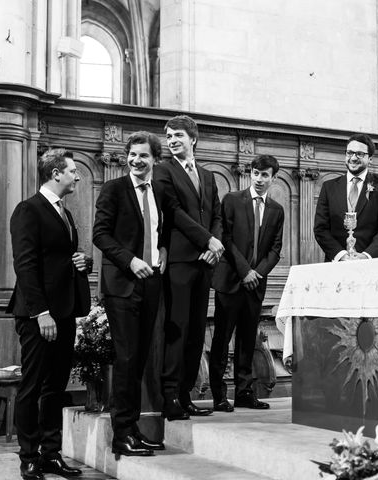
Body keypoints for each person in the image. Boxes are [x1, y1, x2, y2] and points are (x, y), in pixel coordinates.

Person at [7, 149, 91, 480]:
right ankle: (28, 456)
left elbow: (65, 259)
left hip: (65, 312)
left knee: (55, 387)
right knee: (32, 386)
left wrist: (85, 262)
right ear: (56, 173)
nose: (78, 176)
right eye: (73, 171)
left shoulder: (64, 214)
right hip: (38, 315)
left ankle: (50, 453)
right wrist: (41, 312)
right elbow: (25, 265)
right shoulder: (28, 210)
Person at [92, 132, 167, 458]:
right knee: (126, 359)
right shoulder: (114, 189)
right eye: (133, 155)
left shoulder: (158, 192)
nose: (137, 161)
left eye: (144, 156)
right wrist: (130, 260)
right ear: (126, 157)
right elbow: (100, 234)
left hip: (151, 282)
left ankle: (132, 428)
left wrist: (161, 249)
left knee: (138, 360)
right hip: (122, 285)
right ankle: (121, 435)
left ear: (155, 160)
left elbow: (161, 230)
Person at [153, 115, 223, 421]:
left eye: (178, 135)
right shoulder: (163, 171)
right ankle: (169, 398)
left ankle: (186, 395)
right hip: (180, 261)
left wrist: (215, 247)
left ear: (192, 138)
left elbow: (217, 215)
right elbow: (175, 212)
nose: (172, 140)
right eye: (168, 136)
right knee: (178, 330)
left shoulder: (208, 176)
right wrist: (208, 240)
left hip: (206, 262)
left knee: (196, 332)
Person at [209, 155, 284, 412]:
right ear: (249, 174)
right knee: (221, 339)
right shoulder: (232, 200)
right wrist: (245, 271)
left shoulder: (276, 209)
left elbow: (275, 249)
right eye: (255, 173)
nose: (259, 179)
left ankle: (243, 392)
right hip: (231, 280)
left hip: (255, 285)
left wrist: (258, 273)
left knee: (247, 340)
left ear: (273, 177)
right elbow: (225, 239)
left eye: (265, 175)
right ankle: (219, 394)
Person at [314, 133, 378, 261]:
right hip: (336, 264)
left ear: (370, 158)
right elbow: (321, 229)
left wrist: (367, 255)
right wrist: (341, 255)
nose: (353, 158)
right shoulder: (328, 187)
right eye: (349, 153)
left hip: (371, 264)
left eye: (359, 154)